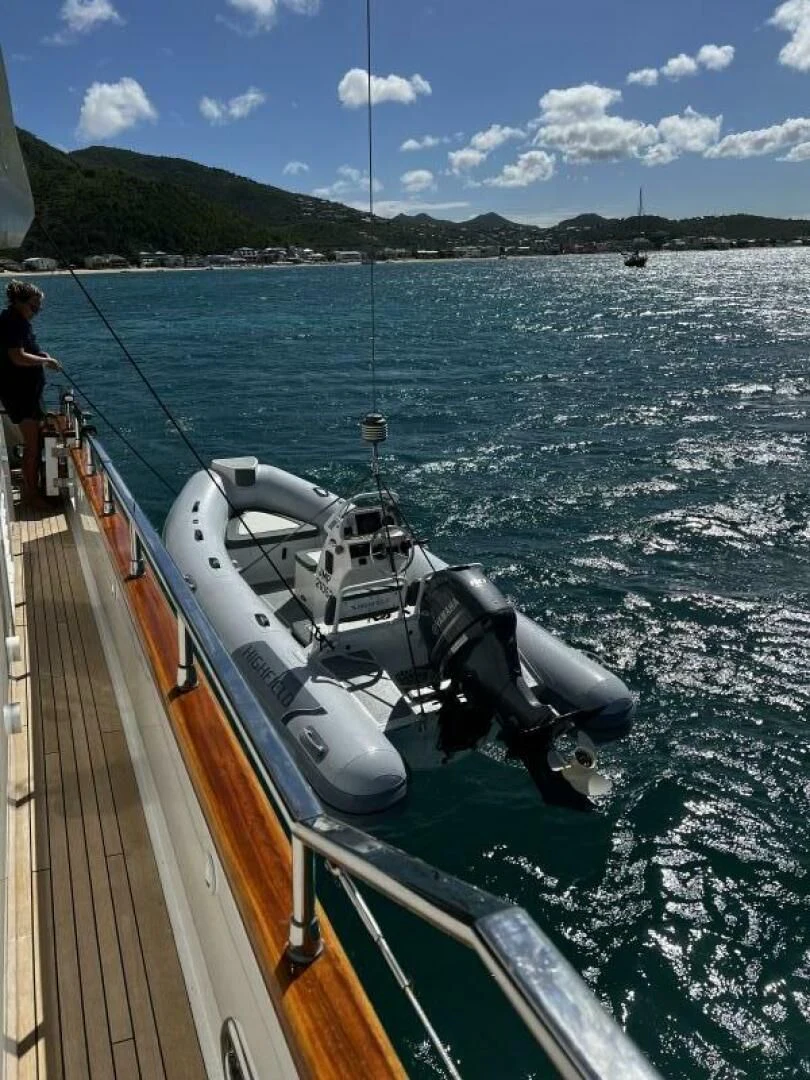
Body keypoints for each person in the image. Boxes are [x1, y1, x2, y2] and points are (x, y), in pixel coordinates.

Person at [0, 280, 62, 508]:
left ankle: (32, 490)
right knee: (32, 447)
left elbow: (25, 351)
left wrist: (39, 354)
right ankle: (30, 496)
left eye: (39, 307)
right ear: (19, 302)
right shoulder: (13, 323)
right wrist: (46, 361)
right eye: (34, 306)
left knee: (34, 444)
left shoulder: (17, 321)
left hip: (27, 392)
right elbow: (17, 356)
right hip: (20, 394)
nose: (37, 311)